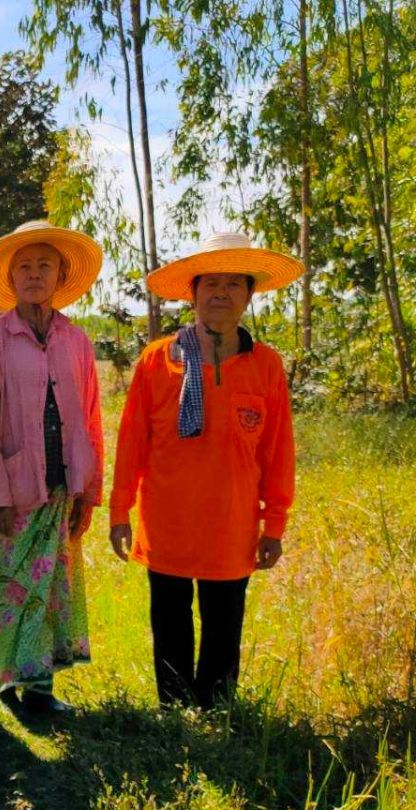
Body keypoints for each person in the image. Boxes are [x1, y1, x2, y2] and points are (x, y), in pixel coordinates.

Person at [109, 231, 301, 709]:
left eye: (234, 284)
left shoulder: (266, 365)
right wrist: (119, 511)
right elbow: (132, 442)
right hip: (167, 521)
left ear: (249, 296)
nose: (221, 293)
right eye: (210, 283)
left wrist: (273, 523)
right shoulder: (159, 360)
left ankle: (216, 710)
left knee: (224, 623)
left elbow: (278, 452)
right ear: (192, 294)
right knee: (170, 620)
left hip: (233, 525)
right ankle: (173, 713)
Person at [0, 220, 105, 719]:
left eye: (45, 265)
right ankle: (9, 683)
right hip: (13, 489)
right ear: (11, 277)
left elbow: (90, 418)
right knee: (10, 588)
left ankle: (41, 689)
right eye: (24, 265)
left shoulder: (76, 340)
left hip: (62, 487)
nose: (34, 273)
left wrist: (89, 493)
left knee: (51, 592)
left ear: (60, 275)